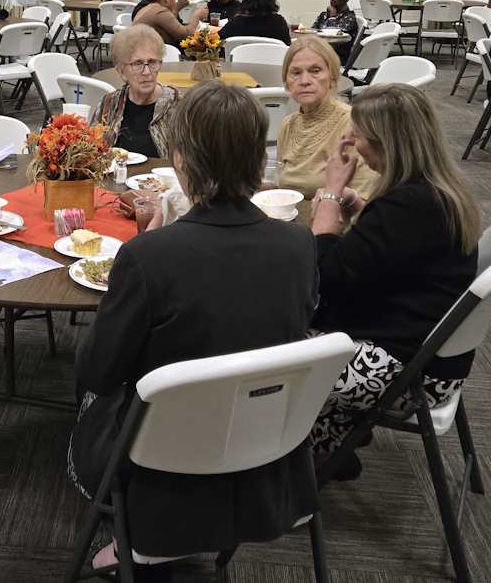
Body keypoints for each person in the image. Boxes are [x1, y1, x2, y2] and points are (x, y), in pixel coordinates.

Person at [70, 81, 319, 576]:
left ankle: (135, 534)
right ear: (257, 160)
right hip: (270, 441)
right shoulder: (300, 244)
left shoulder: (148, 256)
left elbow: (100, 373)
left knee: (85, 390)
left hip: (161, 449)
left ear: (181, 163)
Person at [309, 84, 481, 479]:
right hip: (432, 356)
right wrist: (361, 210)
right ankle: (330, 442)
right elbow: (396, 252)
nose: (351, 140)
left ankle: (299, 459)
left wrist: (331, 197)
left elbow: (327, 279)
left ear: (387, 141)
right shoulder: (437, 191)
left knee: (264, 339)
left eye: (359, 134)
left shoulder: (410, 207)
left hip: (406, 371)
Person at [277, 36, 378, 200]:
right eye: (296, 73)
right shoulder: (288, 124)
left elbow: (363, 199)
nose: (305, 81)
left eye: (315, 71)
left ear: (332, 77)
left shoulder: (354, 125)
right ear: (287, 82)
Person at [89, 25, 179, 158]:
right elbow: (91, 152)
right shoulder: (109, 104)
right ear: (121, 71)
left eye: (152, 62)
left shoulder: (177, 105)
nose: (147, 72)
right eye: (137, 64)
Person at [217, 0, 291, 45]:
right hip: (273, 59)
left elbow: (216, 41)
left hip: (241, 59)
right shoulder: (279, 22)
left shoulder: (236, 23)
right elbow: (287, 46)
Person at [132, 0, 202, 50]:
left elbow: (171, 25)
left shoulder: (149, 7)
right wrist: (197, 15)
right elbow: (185, 34)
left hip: (140, 49)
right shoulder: (160, 12)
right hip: (150, 52)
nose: (175, 1)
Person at [310, 0, 359, 64]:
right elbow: (312, 31)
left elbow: (335, 40)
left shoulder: (349, 18)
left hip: (337, 56)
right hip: (321, 51)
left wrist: (332, 17)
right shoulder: (323, 15)